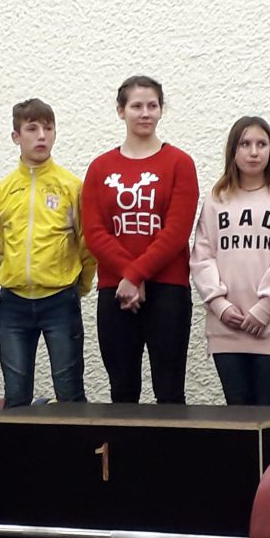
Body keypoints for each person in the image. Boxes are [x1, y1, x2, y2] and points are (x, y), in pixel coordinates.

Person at [81, 76, 199, 404]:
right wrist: (128, 277)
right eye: (136, 106)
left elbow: (176, 231)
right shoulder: (100, 168)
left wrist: (135, 275)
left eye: (152, 106)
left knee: (170, 390)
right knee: (122, 390)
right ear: (121, 111)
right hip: (116, 290)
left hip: (168, 290)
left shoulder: (179, 163)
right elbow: (94, 232)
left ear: (161, 110)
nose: (145, 113)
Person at [190, 116, 270, 406]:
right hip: (227, 327)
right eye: (245, 144)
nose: (254, 152)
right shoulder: (216, 198)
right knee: (238, 414)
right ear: (233, 150)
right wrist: (219, 304)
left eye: (261, 144)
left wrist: (265, 307)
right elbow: (202, 257)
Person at [0, 99, 95, 407]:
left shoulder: (72, 187)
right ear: (16, 136)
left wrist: (79, 286)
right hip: (14, 304)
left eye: (48, 128)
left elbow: (86, 243)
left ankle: (74, 442)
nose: (42, 136)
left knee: (69, 390)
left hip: (60, 300)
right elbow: (1, 245)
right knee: (16, 394)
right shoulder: (0, 192)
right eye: (32, 129)